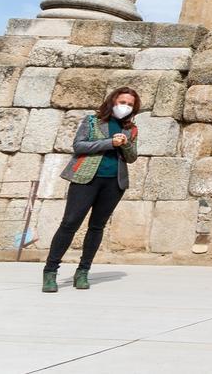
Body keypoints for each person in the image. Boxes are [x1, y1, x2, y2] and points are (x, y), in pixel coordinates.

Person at [43, 87, 141, 293]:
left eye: (130, 104)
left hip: (114, 183)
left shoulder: (131, 129)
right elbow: (78, 146)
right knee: (70, 223)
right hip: (85, 179)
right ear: (113, 101)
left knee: (97, 227)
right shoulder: (92, 121)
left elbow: (132, 157)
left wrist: (124, 145)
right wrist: (109, 142)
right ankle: (50, 271)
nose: (125, 106)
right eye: (122, 101)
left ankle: (83, 271)